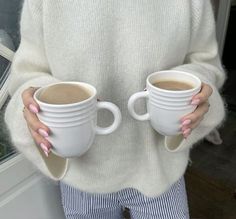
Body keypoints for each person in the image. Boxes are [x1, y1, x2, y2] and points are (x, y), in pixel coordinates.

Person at [4, 0, 226, 218]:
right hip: (82, 176)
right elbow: (28, 72)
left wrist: (193, 91)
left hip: (160, 168)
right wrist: (41, 106)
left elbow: (204, 63)